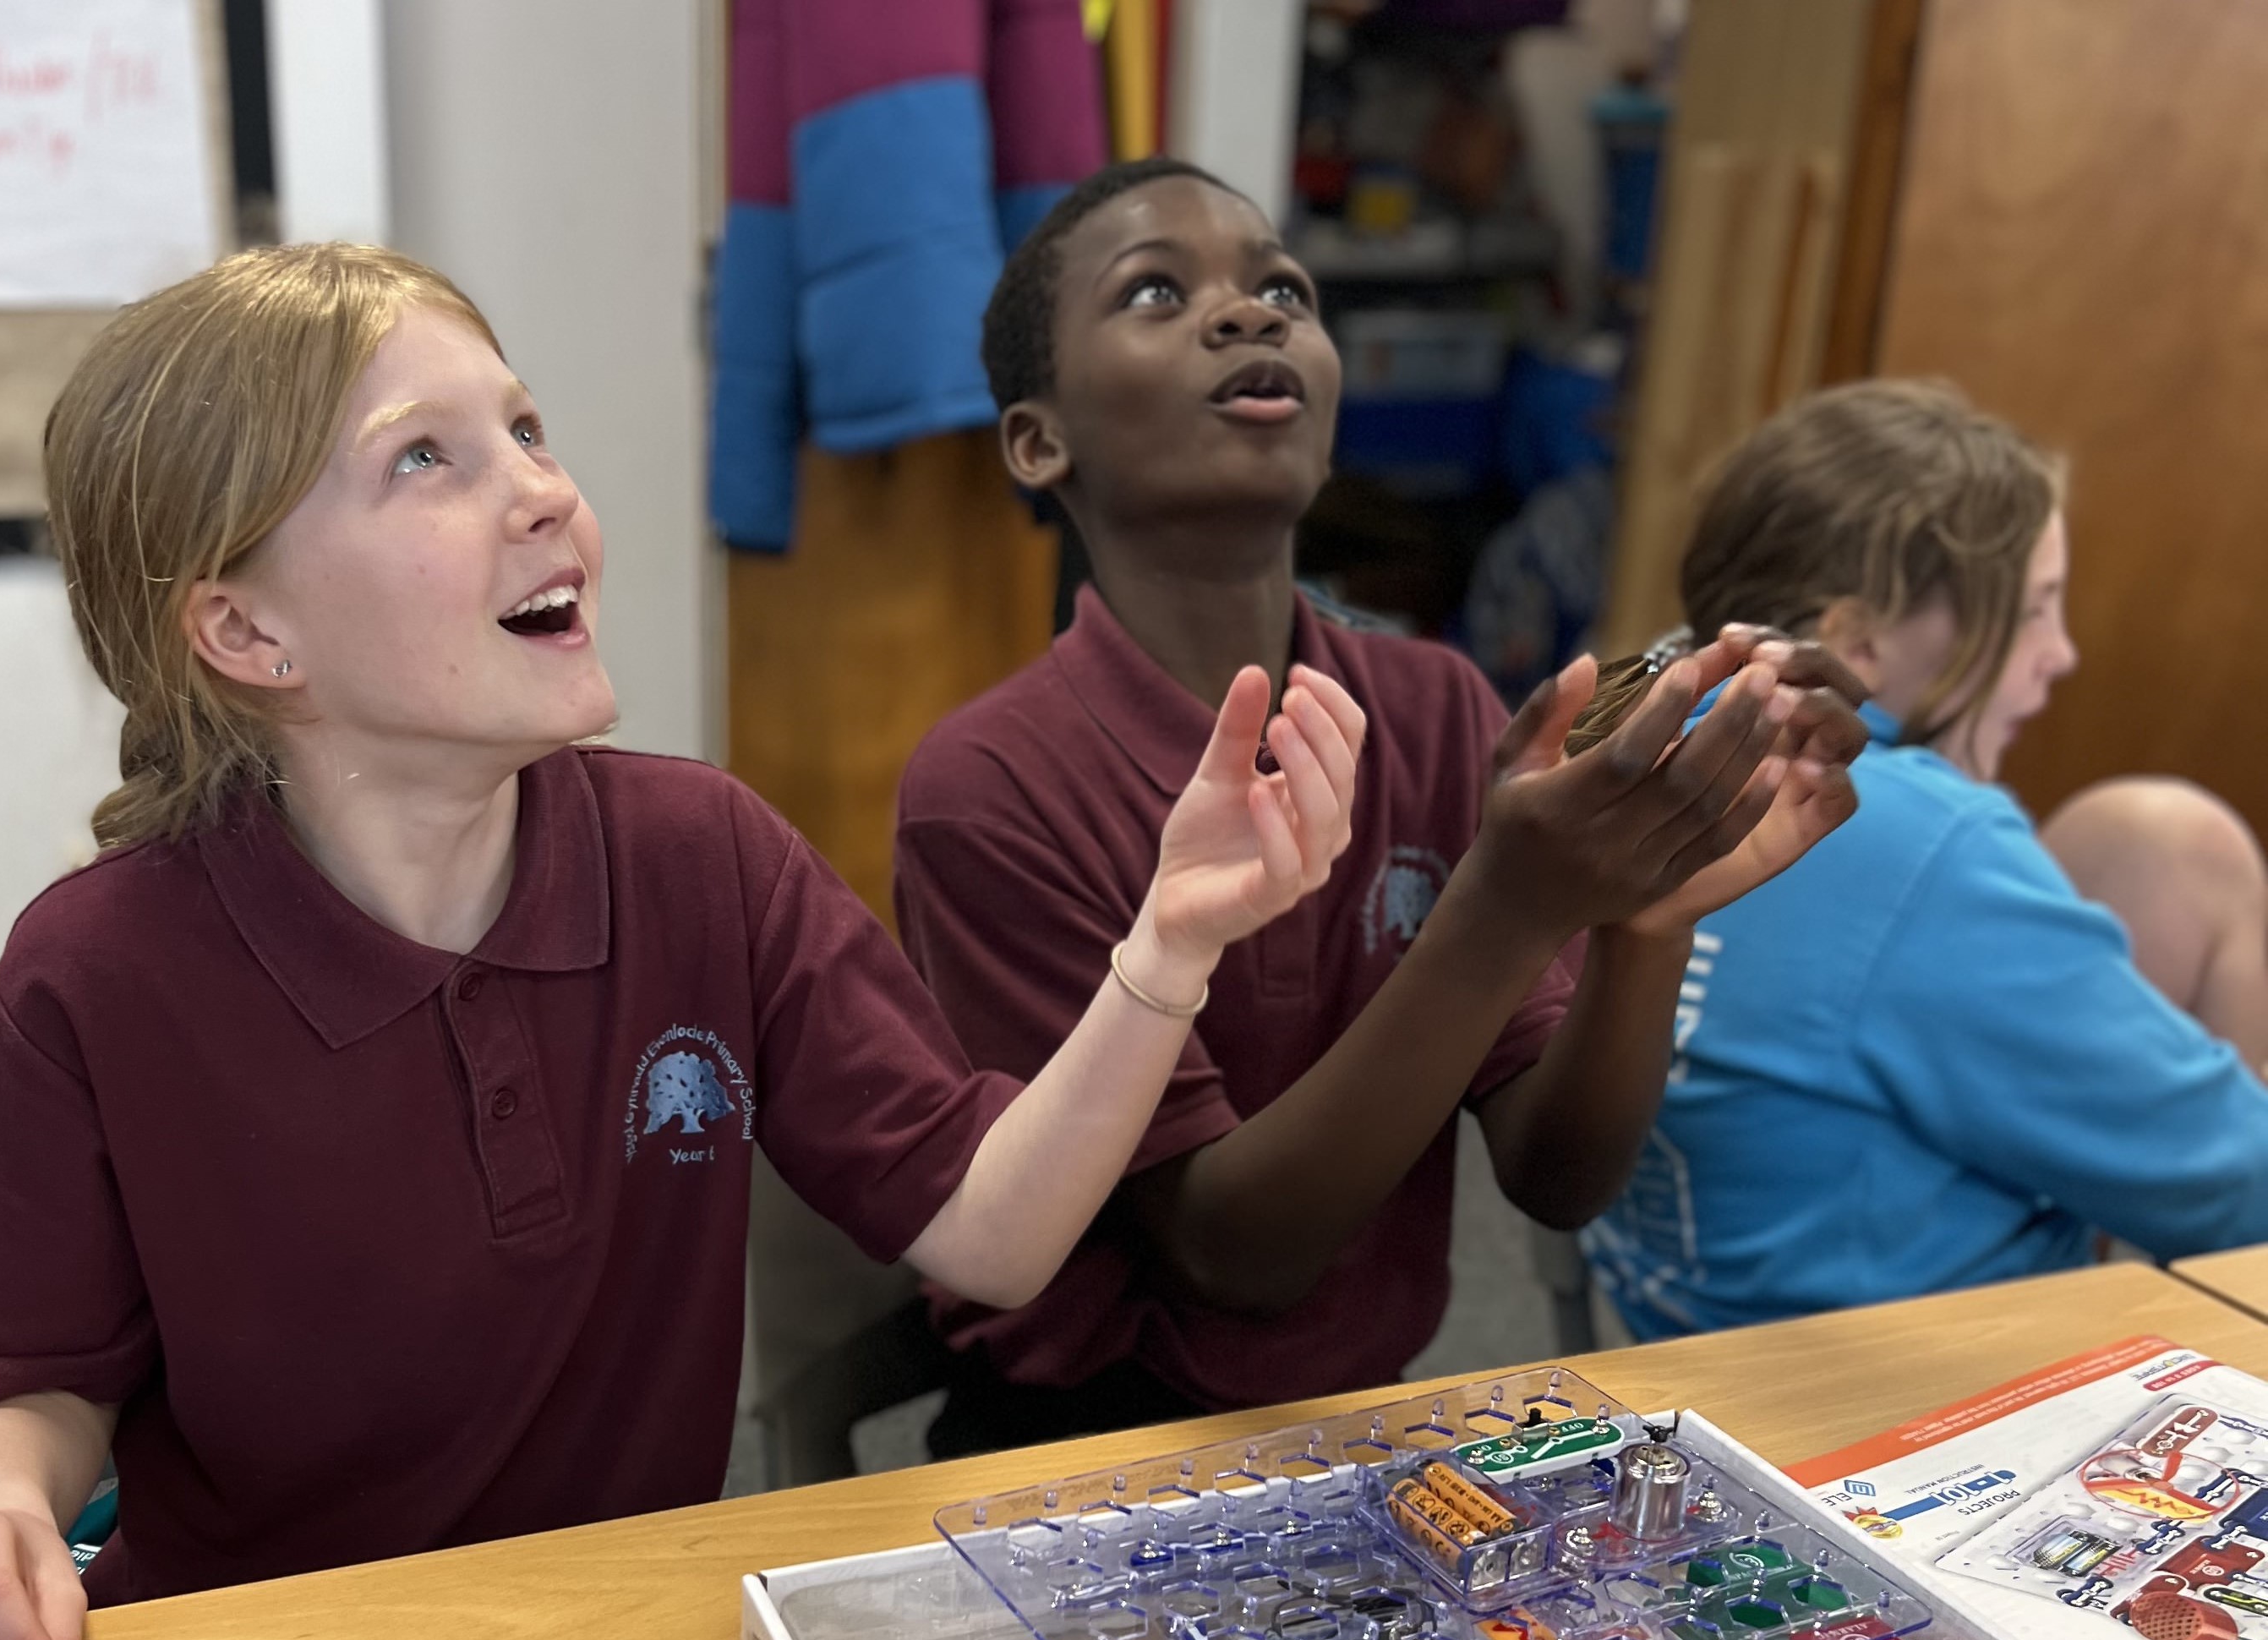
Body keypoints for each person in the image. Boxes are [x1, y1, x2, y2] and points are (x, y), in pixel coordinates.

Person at [0, 243, 1368, 1640]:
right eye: (425, 461)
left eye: (524, 430)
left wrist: (1164, 951)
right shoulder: (95, 968)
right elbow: (31, 1384)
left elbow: (991, 1230)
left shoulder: (700, 854)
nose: (540, 491)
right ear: (250, 634)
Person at [893, 158, 1865, 1457]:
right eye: (1158, 293)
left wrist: (1642, 910)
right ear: (1039, 437)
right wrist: (1503, 907)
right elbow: (1233, 1258)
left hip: (1375, 1440)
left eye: (1281, 287)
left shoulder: (1434, 702)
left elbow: (1559, 1176)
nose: (1249, 316)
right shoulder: (991, 786)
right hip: (1080, 1457)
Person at [1583, 380, 2268, 1337]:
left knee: (2159, 841)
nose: (2061, 654)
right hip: (1922, 1412)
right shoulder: (1911, 842)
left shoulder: (1628, 750)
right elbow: (2241, 1186)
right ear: (1858, 637)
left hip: (1675, 1325)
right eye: (2031, 611)